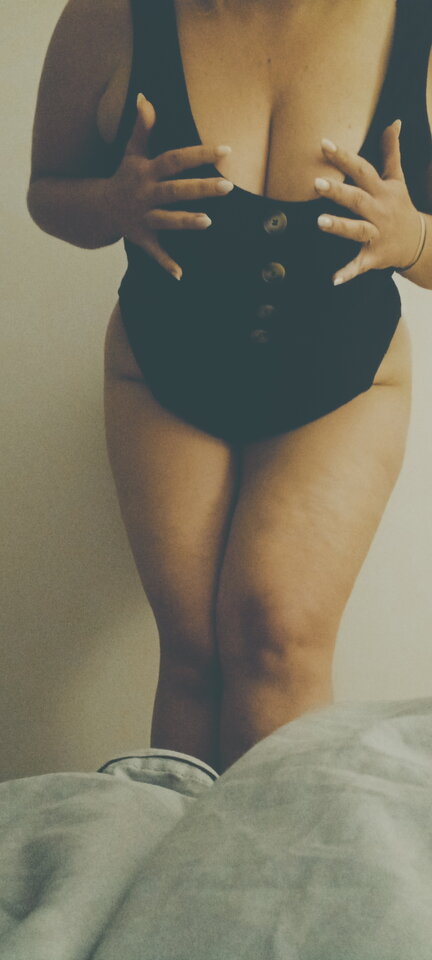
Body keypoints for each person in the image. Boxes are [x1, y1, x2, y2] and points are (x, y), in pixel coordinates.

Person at [27, 0, 432, 777]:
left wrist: (411, 235)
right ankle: (182, 856)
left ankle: (273, 857)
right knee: (193, 656)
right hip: (162, 373)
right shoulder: (110, 15)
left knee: (278, 634)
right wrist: (109, 203)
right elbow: (47, 191)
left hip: (345, 383)